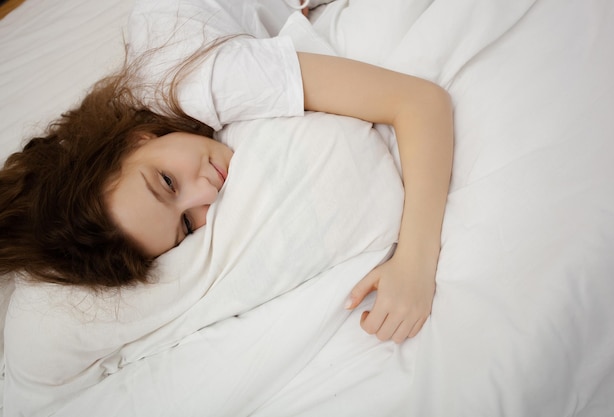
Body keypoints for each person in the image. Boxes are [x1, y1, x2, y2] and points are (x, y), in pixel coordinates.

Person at [0, 0, 453, 344]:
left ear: (134, 140)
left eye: (166, 182)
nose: (207, 196)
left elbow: (418, 102)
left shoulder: (201, 81)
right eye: (184, 225)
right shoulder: (164, 126)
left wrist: (414, 263)